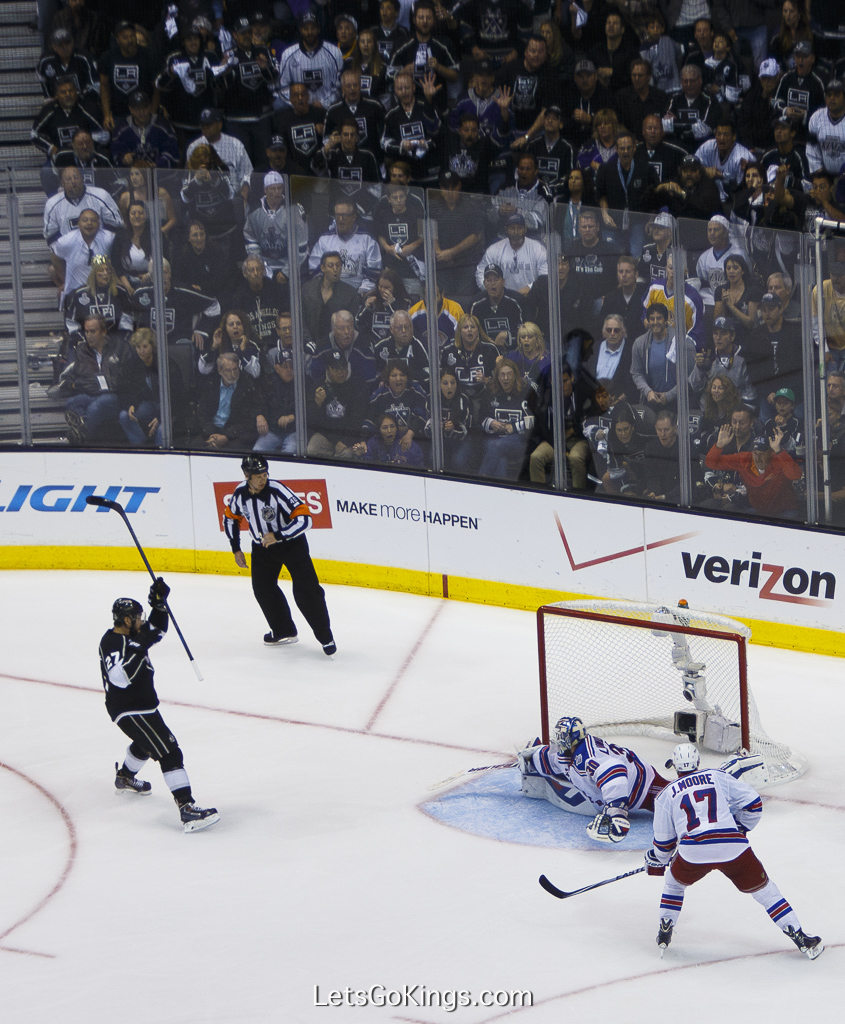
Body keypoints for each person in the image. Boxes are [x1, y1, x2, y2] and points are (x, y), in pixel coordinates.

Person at [646, 742, 822, 959]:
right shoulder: (716, 776)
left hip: (694, 851)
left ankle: (665, 931)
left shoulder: (665, 795)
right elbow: (753, 803)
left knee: (674, 885)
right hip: (733, 846)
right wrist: (741, 827)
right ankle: (799, 935)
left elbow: (663, 845)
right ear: (698, 762)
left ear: (675, 766)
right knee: (766, 891)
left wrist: (658, 860)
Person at [101, 580, 220, 833]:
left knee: (146, 744)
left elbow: (156, 631)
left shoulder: (134, 637)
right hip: (131, 709)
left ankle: (124, 776)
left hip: (141, 707)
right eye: (137, 618)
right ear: (125, 620)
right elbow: (119, 678)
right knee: (169, 752)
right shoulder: (112, 643)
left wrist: (158, 605)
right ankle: (187, 809)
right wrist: (138, 646)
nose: (141, 621)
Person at [224, 454, 335, 654]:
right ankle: (284, 630)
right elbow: (231, 518)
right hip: (262, 548)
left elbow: (305, 518)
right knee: (263, 588)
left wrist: (279, 535)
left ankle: (325, 637)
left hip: (292, 545)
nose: (262, 479)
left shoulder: (278, 490)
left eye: (265, 474)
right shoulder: (240, 494)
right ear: (247, 475)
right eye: (258, 475)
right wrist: (236, 548)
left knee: (306, 591)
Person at [519, 716, 670, 843]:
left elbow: (614, 771)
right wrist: (530, 759)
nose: (558, 740)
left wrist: (617, 811)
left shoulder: (588, 756)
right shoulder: (567, 752)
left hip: (641, 786)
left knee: (673, 802)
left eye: (561, 737)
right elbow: (550, 759)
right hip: (624, 790)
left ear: (571, 739)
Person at [706, 425, 802, 518]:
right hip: (760, 511)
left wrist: (778, 450)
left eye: (762, 454)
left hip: (785, 511)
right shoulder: (744, 459)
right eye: (755, 453)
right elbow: (711, 463)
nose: (758, 458)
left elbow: (796, 475)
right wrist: (718, 446)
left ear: (770, 453)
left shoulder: (779, 458)